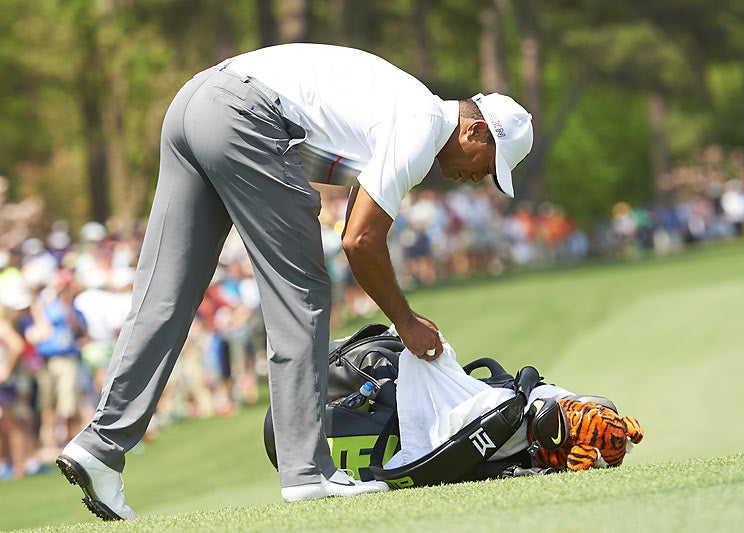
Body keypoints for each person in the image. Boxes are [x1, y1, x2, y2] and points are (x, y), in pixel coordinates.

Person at [57, 43, 533, 519]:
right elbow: (360, 241)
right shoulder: (422, 124)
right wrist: (406, 321)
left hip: (194, 102)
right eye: (490, 164)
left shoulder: (407, 107)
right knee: (301, 293)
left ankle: (100, 446)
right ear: (475, 131)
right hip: (246, 113)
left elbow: (356, 222)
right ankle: (308, 471)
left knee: (164, 296)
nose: (481, 178)